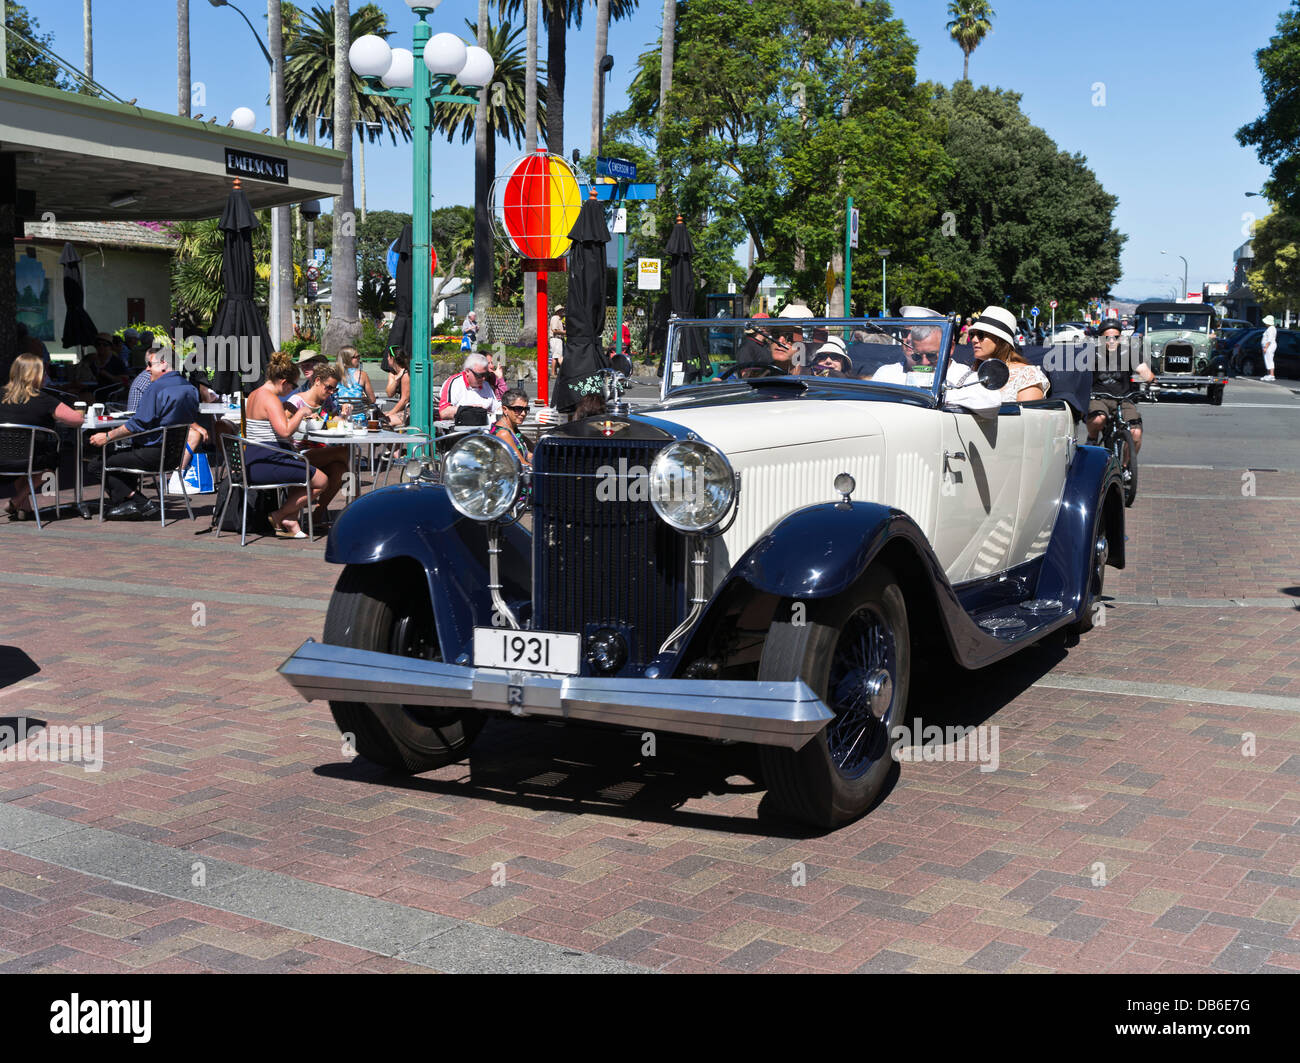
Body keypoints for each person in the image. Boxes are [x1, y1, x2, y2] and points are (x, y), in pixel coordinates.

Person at [86, 346, 199, 520]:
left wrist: (107, 436)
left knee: (96, 464)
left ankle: (139, 502)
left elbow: (137, 424)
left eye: (149, 364)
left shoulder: (156, 387)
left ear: (163, 364)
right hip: (175, 455)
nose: (146, 369)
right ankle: (127, 504)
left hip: (153, 454)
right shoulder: (190, 388)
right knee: (120, 457)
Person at [243, 352, 327, 538]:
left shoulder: (255, 394)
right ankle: (279, 515)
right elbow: (285, 431)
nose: (292, 390)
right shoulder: (270, 399)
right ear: (283, 382)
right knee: (321, 481)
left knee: (303, 472)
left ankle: (290, 520)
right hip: (266, 461)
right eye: (292, 386)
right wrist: (301, 412)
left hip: (253, 459)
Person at [1, 353, 84, 520]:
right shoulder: (44, 399)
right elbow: (77, 421)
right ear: (36, 375)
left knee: (23, 458)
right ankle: (18, 500)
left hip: (2, 458)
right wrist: (79, 410)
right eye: (44, 372)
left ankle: (25, 508)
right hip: (30, 459)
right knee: (52, 459)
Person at [1087, 320, 1154, 453]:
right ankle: (1092, 438)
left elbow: (1144, 371)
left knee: (1135, 433)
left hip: (1124, 398)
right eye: (1107, 337)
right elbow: (1079, 376)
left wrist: (1152, 382)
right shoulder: (1092, 354)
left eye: (1116, 337)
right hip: (1099, 398)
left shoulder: (1129, 353)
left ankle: (1125, 469)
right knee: (1098, 419)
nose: (1112, 341)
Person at [966, 306, 1050, 402]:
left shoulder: (1026, 376)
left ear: (999, 340)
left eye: (981, 335)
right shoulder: (972, 370)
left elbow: (1028, 416)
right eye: (972, 334)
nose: (974, 340)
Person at [438, 353, 501, 424]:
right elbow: (444, 412)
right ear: (467, 371)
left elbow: (496, 408)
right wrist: (470, 410)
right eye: (479, 375)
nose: (483, 378)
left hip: (484, 429)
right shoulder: (455, 383)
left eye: (486, 374)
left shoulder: (485, 385)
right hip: (460, 430)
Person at [491, 388, 533, 466]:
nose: (523, 413)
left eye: (526, 409)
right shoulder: (503, 433)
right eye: (518, 409)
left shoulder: (512, 428)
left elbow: (530, 452)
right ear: (505, 409)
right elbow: (521, 464)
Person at [384, 349, 410, 427]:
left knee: (385, 422)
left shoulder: (406, 374)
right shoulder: (393, 373)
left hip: (411, 410)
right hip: (403, 410)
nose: (387, 359)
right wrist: (396, 380)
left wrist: (390, 413)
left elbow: (405, 400)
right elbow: (389, 393)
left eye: (388, 356)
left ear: (392, 359)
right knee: (376, 418)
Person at [549, 305, 566, 378]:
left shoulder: (558, 319)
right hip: (556, 339)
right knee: (558, 356)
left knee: (555, 356)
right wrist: (564, 332)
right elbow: (554, 330)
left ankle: (554, 372)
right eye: (561, 310)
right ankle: (565, 372)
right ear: (558, 311)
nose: (563, 311)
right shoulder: (555, 318)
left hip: (557, 339)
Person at [1261, 314, 1278, 381]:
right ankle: (1269, 374)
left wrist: (1266, 347)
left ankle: (1271, 375)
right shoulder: (1271, 328)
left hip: (1269, 346)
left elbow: (1269, 339)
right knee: (1268, 360)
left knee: (1269, 360)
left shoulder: (1271, 329)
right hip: (1269, 346)